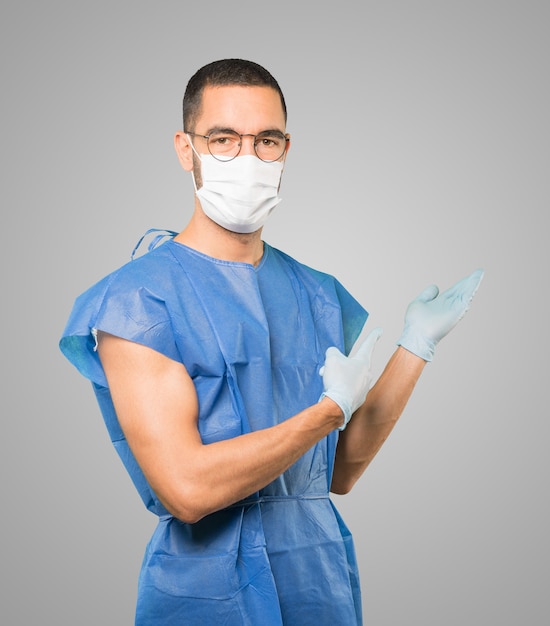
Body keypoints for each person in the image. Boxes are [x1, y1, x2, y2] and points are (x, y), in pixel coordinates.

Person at [59, 58, 483, 625]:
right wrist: (326, 412)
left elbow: (338, 472)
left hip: (317, 577)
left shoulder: (318, 293)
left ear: (286, 150)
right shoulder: (141, 300)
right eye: (223, 139)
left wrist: (415, 346)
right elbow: (186, 489)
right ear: (186, 150)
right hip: (205, 590)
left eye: (266, 140)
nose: (247, 158)